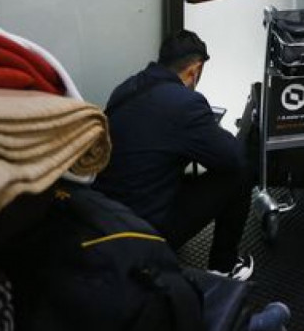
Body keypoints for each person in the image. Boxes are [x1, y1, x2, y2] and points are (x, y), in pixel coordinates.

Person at [95, 30, 254, 280]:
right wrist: (212, 132)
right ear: (194, 70)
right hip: (144, 232)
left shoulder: (126, 88)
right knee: (242, 171)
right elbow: (233, 157)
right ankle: (223, 268)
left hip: (105, 221)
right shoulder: (186, 104)